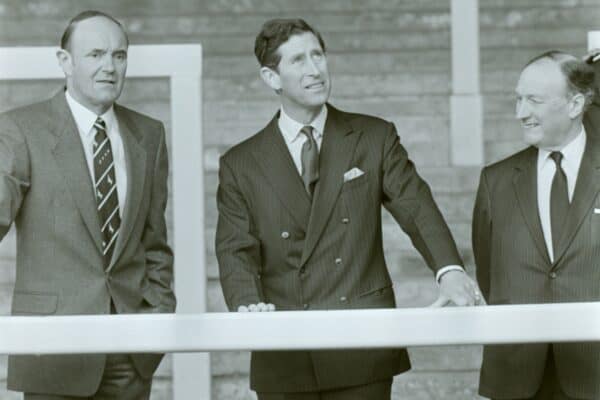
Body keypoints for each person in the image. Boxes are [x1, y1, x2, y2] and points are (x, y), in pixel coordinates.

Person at [216, 18, 482, 400]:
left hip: (362, 346)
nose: (314, 70)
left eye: (318, 55)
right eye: (298, 61)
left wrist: (449, 270)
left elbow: (416, 207)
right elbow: (234, 249)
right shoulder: (241, 162)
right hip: (286, 349)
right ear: (271, 77)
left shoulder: (374, 136)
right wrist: (247, 307)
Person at [0, 10, 175, 399]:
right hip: (52, 352)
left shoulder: (149, 135)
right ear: (65, 62)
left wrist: (155, 326)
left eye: (119, 55)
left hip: (130, 355)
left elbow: (154, 244)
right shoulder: (20, 129)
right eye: (95, 54)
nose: (109, 67)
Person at [473, 50, 600, 400]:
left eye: (534, 101)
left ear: (575, 105)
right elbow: (489, 273)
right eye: (518, 99)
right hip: (517, 374)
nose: (520, 113)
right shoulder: (495, 181)